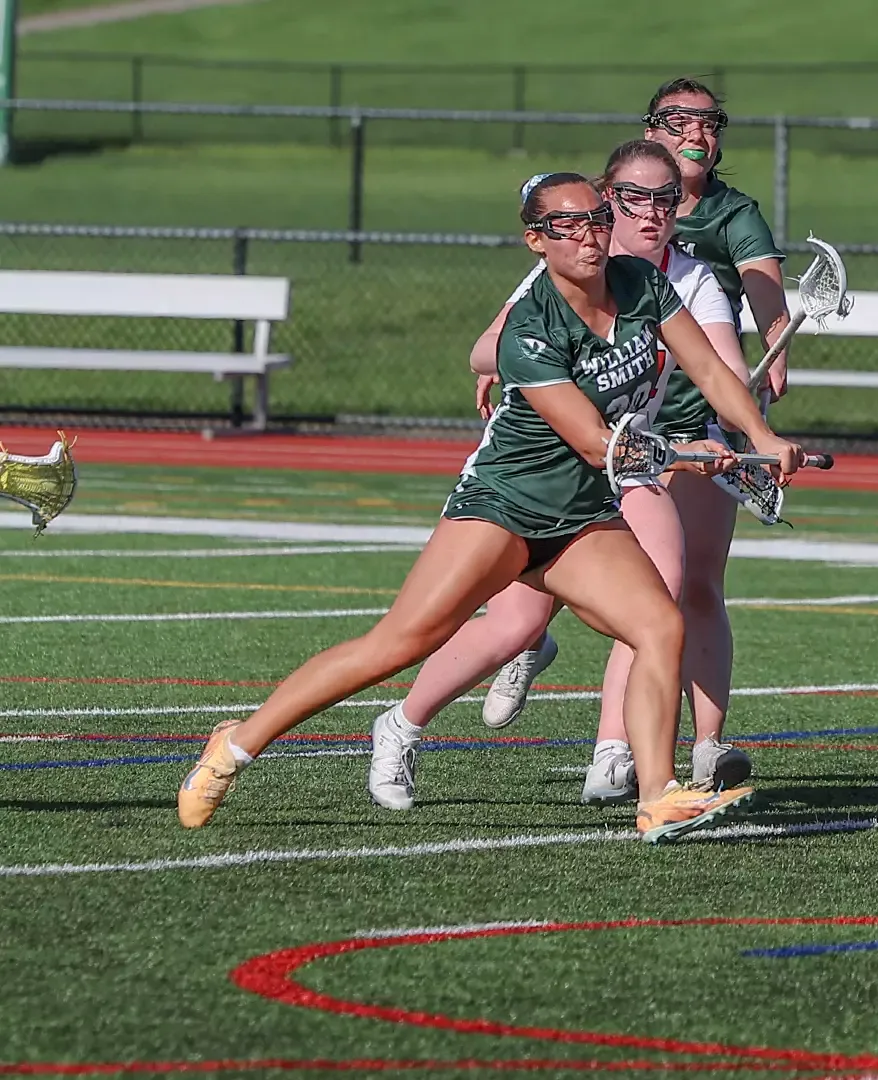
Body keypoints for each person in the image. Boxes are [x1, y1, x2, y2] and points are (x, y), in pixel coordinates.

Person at [176, 174, 805, 840]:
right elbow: (598, 444)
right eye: (566, 225)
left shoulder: (643, 285)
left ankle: (657, 798)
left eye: (596, 218)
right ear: (536, 240)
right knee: (398, 644)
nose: (588, 235)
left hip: (582, 517)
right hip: (503, 506)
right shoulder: (530, 329)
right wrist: (685, 453)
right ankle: (235, 745)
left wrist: (761, 437)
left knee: (658, 626)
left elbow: (708, 371)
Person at [365, 141, 754, 809]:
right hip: (538, 471)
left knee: (658, 601)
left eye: (667, 199)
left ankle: (615, 758)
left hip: (630, 461)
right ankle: (401, 726)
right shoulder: (568, 263)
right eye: (633, 198)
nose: (651, 211)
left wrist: (747, 427)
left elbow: (723, 368)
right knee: (509, 625)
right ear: (608, 200)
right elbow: (486, 347)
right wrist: (526, 366)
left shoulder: (686, 279)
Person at [476, 76, 791, 792]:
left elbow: (748, 312)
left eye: (709, 120)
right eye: (678, 118)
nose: (695, 131)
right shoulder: (595, 229)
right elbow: (517, 327)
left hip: (683, 433)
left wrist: (761, 389)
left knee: (683, 586)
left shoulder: (724, 225)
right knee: (512, 602)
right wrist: (517, 367)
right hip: (593, 434)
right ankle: (460, 685)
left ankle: (675, 750)